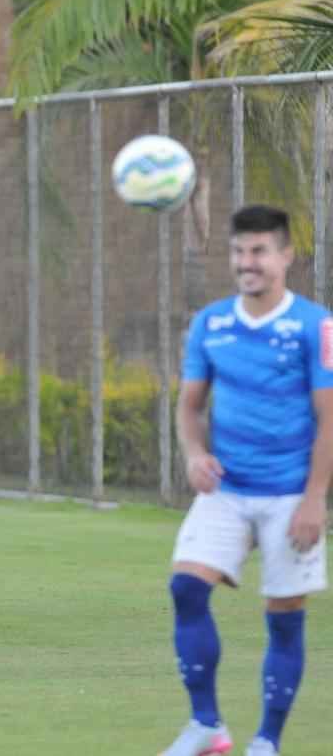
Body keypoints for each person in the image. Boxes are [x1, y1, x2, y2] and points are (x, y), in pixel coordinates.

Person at [161, 205, 329, 756]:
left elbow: (329, 417)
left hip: (290, 493)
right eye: (238, 252)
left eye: (258, 251)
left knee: (283, 616)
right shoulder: (211, 322)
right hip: (226, 488)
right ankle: (207, 726)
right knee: (186, 586)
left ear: (286, 256)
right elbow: (189, 406)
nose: (247, 262)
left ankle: (267, 741)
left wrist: (314, 501)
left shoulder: (315, 325)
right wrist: (193, 454)